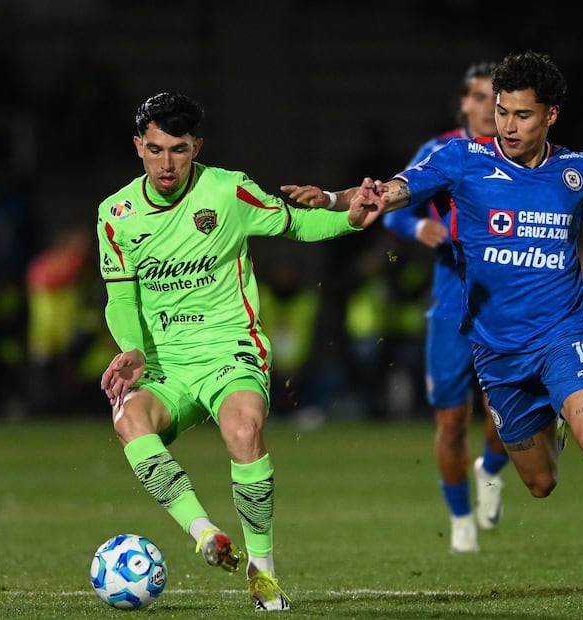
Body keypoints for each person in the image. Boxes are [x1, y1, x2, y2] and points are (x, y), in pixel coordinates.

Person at [352, 51, 583, 606]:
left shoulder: (578, 170)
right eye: (502, 111)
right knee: (540, 484)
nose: (506, 124)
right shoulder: (462, 159)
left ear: (550, 116)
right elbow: (399, 189)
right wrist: (356, 198)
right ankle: (546, 427)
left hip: (565, 333)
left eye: (522, 115)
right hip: (498, 352)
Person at [96, 91, 383, 612]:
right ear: (139, 146)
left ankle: (263, 573)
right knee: (128, 421)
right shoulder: (115, 215)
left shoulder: (227, 191)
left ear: (196, 146)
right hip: (165, 365)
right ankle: (204, 532)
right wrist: (133, 351)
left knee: (244, 431)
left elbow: (296, 222)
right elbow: (121, 298)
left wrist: (350, 218)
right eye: (156, 149)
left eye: (179, 150)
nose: (167, 163)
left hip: (231, 350)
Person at [281, 62, 513, 554]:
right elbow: (392, 202)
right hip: (453, 302)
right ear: (464, 104)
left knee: (505, 419)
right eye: (476, 96)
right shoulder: (444, 153)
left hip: (510, 305)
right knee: (451, 421)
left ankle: (491, 469)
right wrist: (414, 228)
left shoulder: (524, 156)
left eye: (494, 98)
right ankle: (460, 520)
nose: (485, 106)